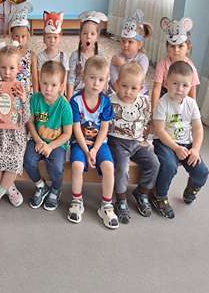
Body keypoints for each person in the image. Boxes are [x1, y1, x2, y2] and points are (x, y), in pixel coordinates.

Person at [150, 61, 209, 219]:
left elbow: (198, 129)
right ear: (166, 83)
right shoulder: (162, 103)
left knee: (202, 172)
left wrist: (195, 149)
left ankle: (192, 188)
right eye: (175, 83)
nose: (179, 89)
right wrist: (176, 148)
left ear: (190, 86)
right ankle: (159, 196)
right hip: (165, 143)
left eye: (185, 85)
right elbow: (159, 130)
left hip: (186, 143)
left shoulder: (191, 104)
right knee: (169, 166)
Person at [68, 56, 118, 229]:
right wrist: (86, 150)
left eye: (101, 80)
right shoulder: (76, 101)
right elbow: (76, 128)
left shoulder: (105, 102)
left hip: (99, 144)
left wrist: (95, 149)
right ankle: (76, 201)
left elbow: (104, 128)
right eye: (92, 78)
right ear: (83, 76)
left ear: (106, 81)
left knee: (109, 167)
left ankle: (106, 205)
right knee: (77, 165)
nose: (96, 83)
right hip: (80, 143)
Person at [108, 62, 159, 224]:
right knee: (122, 168)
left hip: (137, 143)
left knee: (154, 163)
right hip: (117, 142)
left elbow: (147, 122)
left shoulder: (144, 102)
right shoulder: (110, 101)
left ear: (141, 88)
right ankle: (121, 199)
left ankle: (142, 192)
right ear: (117, 84)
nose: (128, 92)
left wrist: (147, 139)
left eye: (133, 88)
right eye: (124, 86)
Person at [0, 44, 30, 209]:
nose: (7, 72)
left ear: (18, 68)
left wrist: (24, 101)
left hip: (16, 136)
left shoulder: (22, 88)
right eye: (3, 68)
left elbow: (26, 118)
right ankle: (10, 188)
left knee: (16, 160)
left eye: (11, 68)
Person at [24, 61, 73, 211]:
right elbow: (30, 122)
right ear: (39, 80)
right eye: (44, 83)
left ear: (61, 86)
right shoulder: (35, 99)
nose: (48, 88)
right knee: (28, 161)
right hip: (37, 139)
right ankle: (41, 186)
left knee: (56, 167)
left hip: (56, 143)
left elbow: (67, 133)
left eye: (53, 85)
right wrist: (38, 140)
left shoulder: (64, 106)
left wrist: (50, 146)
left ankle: (56, 189)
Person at [151, 17, 200, 112]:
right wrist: (154, 110)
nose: (176, 50)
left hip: (182, 100)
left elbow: (192, 94)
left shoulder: (191, 68)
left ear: (188, 48)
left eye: (180, 46)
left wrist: (192, 112)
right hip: (165, 96)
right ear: (167, 47)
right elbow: (156, 89)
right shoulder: (162, 64)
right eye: (172, 46)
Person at [108, 9, 151, 95]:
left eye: (130, 42)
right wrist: (119, 92)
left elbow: (138, 77)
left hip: (136, 91)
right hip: (118, 90)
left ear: (139, 44)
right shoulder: (117, 57)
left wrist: (123, 65)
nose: (125, 44)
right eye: (123, 41)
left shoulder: (143, 59)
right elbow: (113, 77)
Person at [67, 11, 107, 100]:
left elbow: (104, 78)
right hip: (78, 93)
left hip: (95, 92)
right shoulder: (75, 56)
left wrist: (103, 98)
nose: (88, 36)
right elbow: (71, 80)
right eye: (85, 33)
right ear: (80, 36)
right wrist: (70, 101)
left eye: (92, 34)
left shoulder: (100, 56)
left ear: (97, 37)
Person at [9, 3, 38, 94]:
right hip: (11, 93)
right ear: (11, 36)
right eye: (16, 36)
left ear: (28, 36)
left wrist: (36, 96)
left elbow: (34, 78)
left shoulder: (32, 55)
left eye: (23, 36)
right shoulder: (8, 53)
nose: (20, 40)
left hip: (27, 94)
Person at [36, 11, 68, 87]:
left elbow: (64, 80)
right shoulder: (40, 57)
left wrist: (60, 93)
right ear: (44, 39)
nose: (52, 40)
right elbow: (40, 78)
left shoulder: (63, 56)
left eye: (55, 37)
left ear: (60, 38)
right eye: (48, 37)